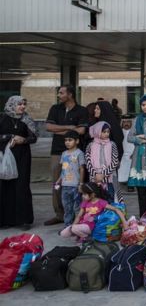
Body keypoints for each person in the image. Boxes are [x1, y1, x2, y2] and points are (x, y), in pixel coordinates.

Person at [45, 85, 89, 226]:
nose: (59, 95)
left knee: (76, 183)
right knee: (57, 183)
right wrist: (70, 127)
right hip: (57, 152)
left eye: (61, 93)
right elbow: (48, 127)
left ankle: (78, 214)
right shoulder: (55, 108)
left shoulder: (81, 110)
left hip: (75, 153)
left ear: (70, 95)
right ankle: (59, 214)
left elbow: (81, 131)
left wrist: (59, 130)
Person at [0, 96, 37, 230]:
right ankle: (5, 220)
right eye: (19, 104)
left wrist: (24, 140)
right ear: (12, 105)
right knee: (5, 186)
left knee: (21, 186)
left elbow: (33, 137)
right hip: (4, 156)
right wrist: (10, 137)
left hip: (22, 157)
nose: (22, 107)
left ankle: (23, 220)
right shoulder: (2, 118)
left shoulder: (26, 119)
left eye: (23, 104)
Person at [60, 182, 127, 242]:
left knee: (74, 229)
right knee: (64, 233)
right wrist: (73, 225)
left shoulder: (101, 202)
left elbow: (116, 209)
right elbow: (79, 216)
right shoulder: (85, 202)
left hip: (92, 226)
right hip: (83, 224)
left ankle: (86, 237)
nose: (83, 196)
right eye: (82, 194)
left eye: (85, 194)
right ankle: (80, 234)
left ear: (92, 194)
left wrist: (124, 223)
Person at [89, 100, 124, 201]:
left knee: (110, 191)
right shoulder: (96, 124)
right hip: (96, 169)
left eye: (97, 108)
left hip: (109, 168)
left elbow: (117, 147)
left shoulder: (112, 126)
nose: (95, 110)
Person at [55, 130, 85, 227]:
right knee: (67, 207)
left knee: (77, 207)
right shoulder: (64, 154)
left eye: (70, 140)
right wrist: (59, 181)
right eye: (65, 140)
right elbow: (64, 169)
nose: (67, 142)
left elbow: (82, 169)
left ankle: (78, 226)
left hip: (75, 186)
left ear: (77, 141)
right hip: (65, 185)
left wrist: (81, 184)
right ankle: (67, 226)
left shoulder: (79, 153)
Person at [85, 121, 120, 202]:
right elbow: (88, 162)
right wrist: (96, 175)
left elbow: (114, 162)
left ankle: (108, 215)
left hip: (109, 179)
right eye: (104, 132)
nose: (107, 134)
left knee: (110, 200)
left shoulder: (112, 144)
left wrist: (103, 175)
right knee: (96, 201)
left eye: (108, 132)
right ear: (97, 131)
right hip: (95, 179)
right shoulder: (90, 145)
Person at [118, 118, 134, 190]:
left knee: (131, 171)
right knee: (122, 170)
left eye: (128, 122)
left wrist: (134, 153)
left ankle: (131, 186)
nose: (126, 124)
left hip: (132, 155)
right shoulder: (119, 132)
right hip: (122, 155)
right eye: (124, 122)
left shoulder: (134, 132)